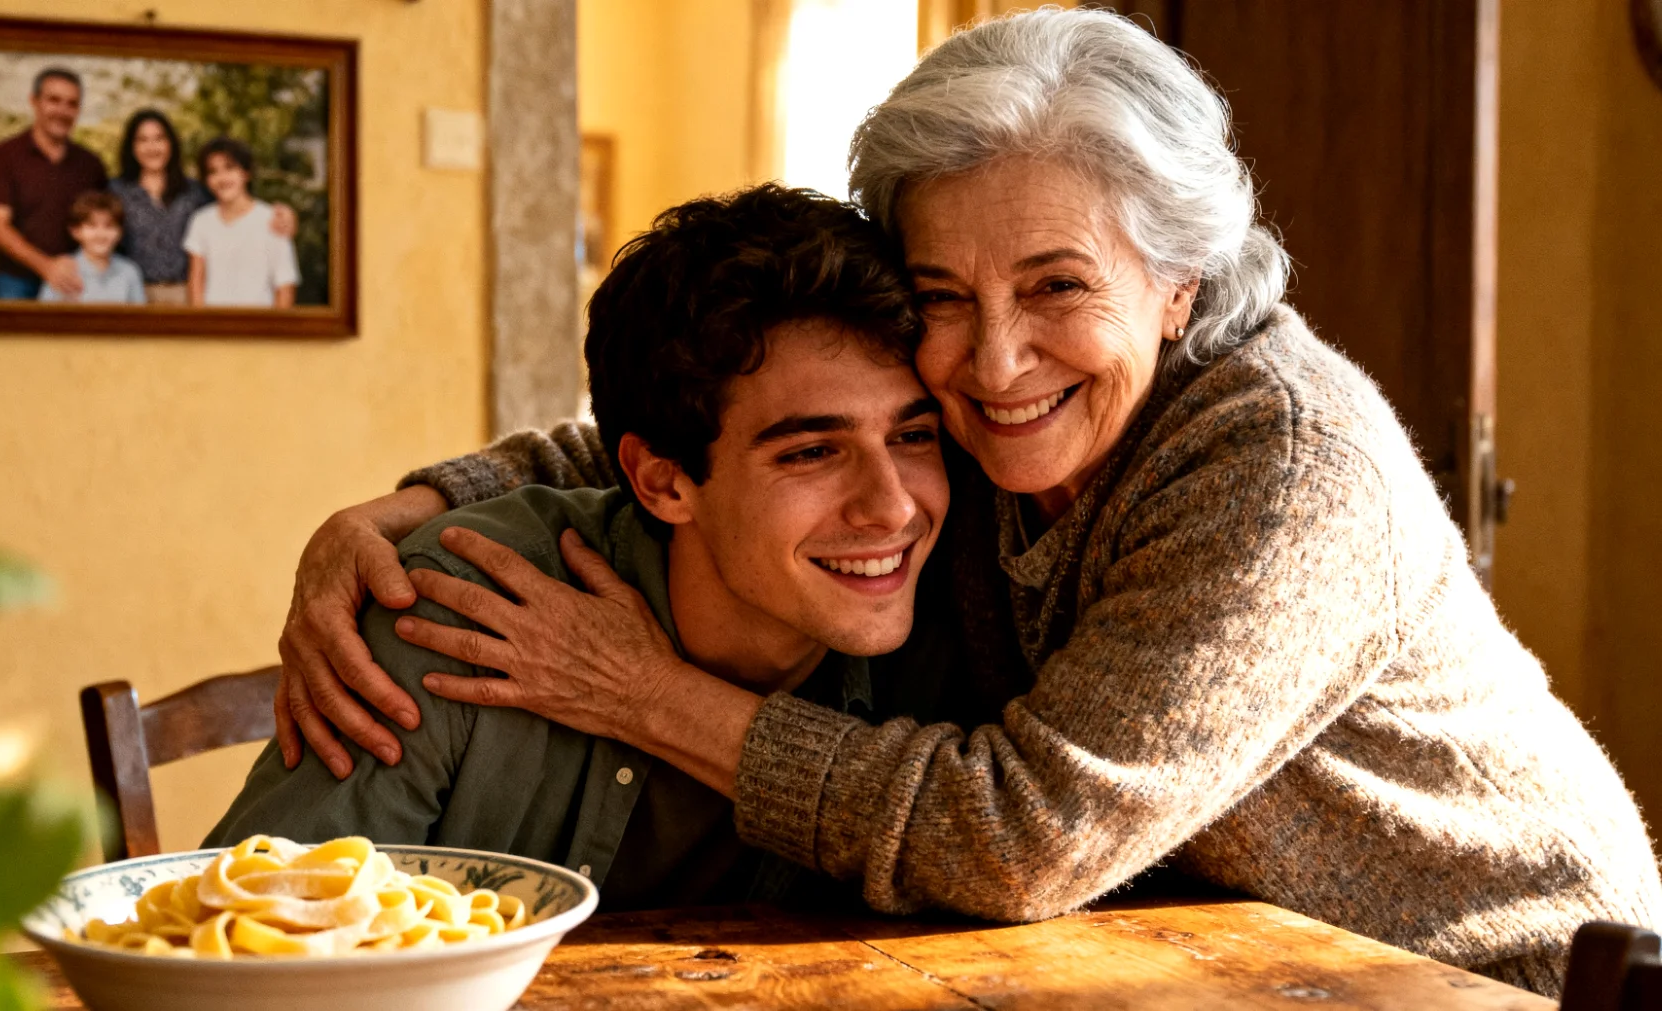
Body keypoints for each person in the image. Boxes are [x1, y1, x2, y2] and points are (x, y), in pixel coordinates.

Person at [269, 9, 1661, 995]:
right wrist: (405, 506)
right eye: (944, 297)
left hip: (1486, 974)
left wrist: (642, 691)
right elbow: (696, 419)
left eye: (1058, 286)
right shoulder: (987, 427)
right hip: (1216, 959)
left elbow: (1015, 836)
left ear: (1179, 284)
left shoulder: (1284, 466)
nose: (992, 365)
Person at [208, 185, 947, 912]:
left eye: (914, 435)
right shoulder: (462, 604)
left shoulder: (956, 618)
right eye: (813, 451)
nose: (894, 506)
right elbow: (248, 943)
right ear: (662, 482)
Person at [107, 111, 297, 306]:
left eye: (159, 138)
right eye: (142, 140)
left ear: (171, 143)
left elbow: (235, 202)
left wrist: (284, 215)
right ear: (131, 147)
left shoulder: (193, 191)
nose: (152, 147)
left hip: (183, 293)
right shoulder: (116, 191)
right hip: (134, 293)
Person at [0, 67, 108, 301]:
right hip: (16, 282)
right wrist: (46, 267)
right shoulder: (4, 156)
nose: (62, 111)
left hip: (76, 280)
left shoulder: (91, 164)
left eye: (71, 103)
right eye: (54, 100)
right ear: (34, 101)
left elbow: (105, 223)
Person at [183, 137, 300, 308]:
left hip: (260, 327)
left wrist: (277, 330)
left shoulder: (273, 220)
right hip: (213, 325)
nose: (222, 178)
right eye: (213, 172)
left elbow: (284, 286)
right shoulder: (201, 221)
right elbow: (196, 282)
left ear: (246, 173)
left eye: (230, 168)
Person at [36, 192, 144, 305]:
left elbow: (140, 319)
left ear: (120, 232)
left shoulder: (130, 272)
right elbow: (44, 318)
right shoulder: (62, 271)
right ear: (75, 231)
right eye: (92, 226)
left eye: (109, 226)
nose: (101, 234)